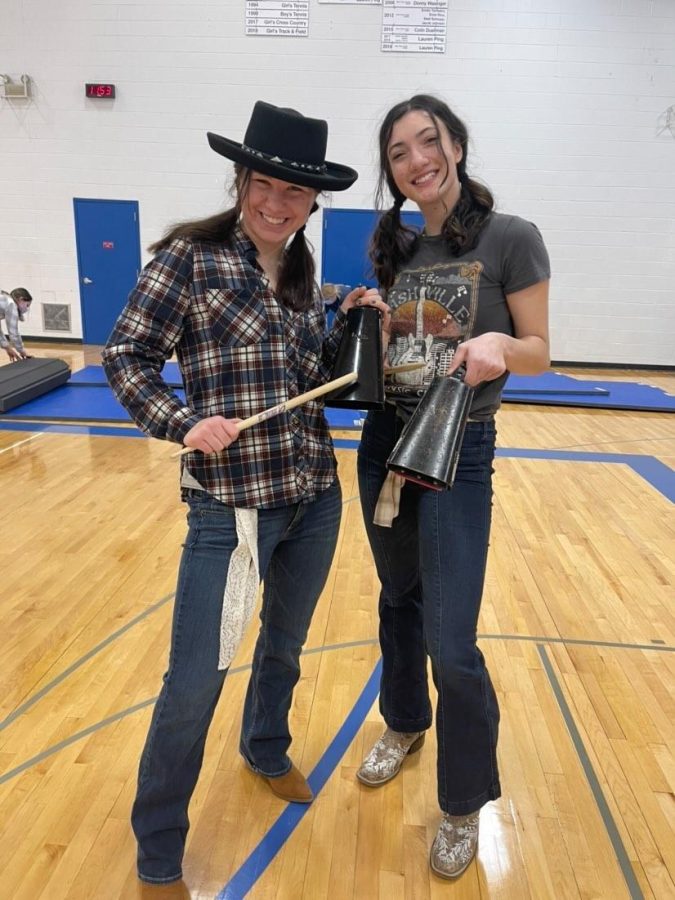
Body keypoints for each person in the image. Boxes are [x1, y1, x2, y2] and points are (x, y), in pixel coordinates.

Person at [102, 100, 389, 886]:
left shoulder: (300, 275)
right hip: (229, 512)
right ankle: (159, 841)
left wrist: (349, 316)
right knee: (194, 678)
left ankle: (264, 747)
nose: (276, 204)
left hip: (312, 497)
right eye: (264, 184)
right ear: (240, 180)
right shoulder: (187, 260)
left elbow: (310, 375)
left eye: (294, 194)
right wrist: (182, 422)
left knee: (284, 648)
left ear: (312, 204)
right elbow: (123, 356)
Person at [355, 95, 550, 879]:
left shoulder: (512, 238)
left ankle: (463, 802)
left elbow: (537, 349)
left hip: (458, 453)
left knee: (452, 641)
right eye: (398, 152)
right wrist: (368, 313)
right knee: (397, 598)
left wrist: (502, 344)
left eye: (426, 142)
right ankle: (403, 723)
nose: (415, 160)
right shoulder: (397, 249)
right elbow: (398, 356)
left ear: (457, 146)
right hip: (382, 447)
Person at [0, 287, 33, 361]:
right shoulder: (11, 304)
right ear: (21, 299)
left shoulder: (5, 301)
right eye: (27, 305)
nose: (27, 309)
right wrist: (22, 351)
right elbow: (13, 333)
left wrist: (7, 348)